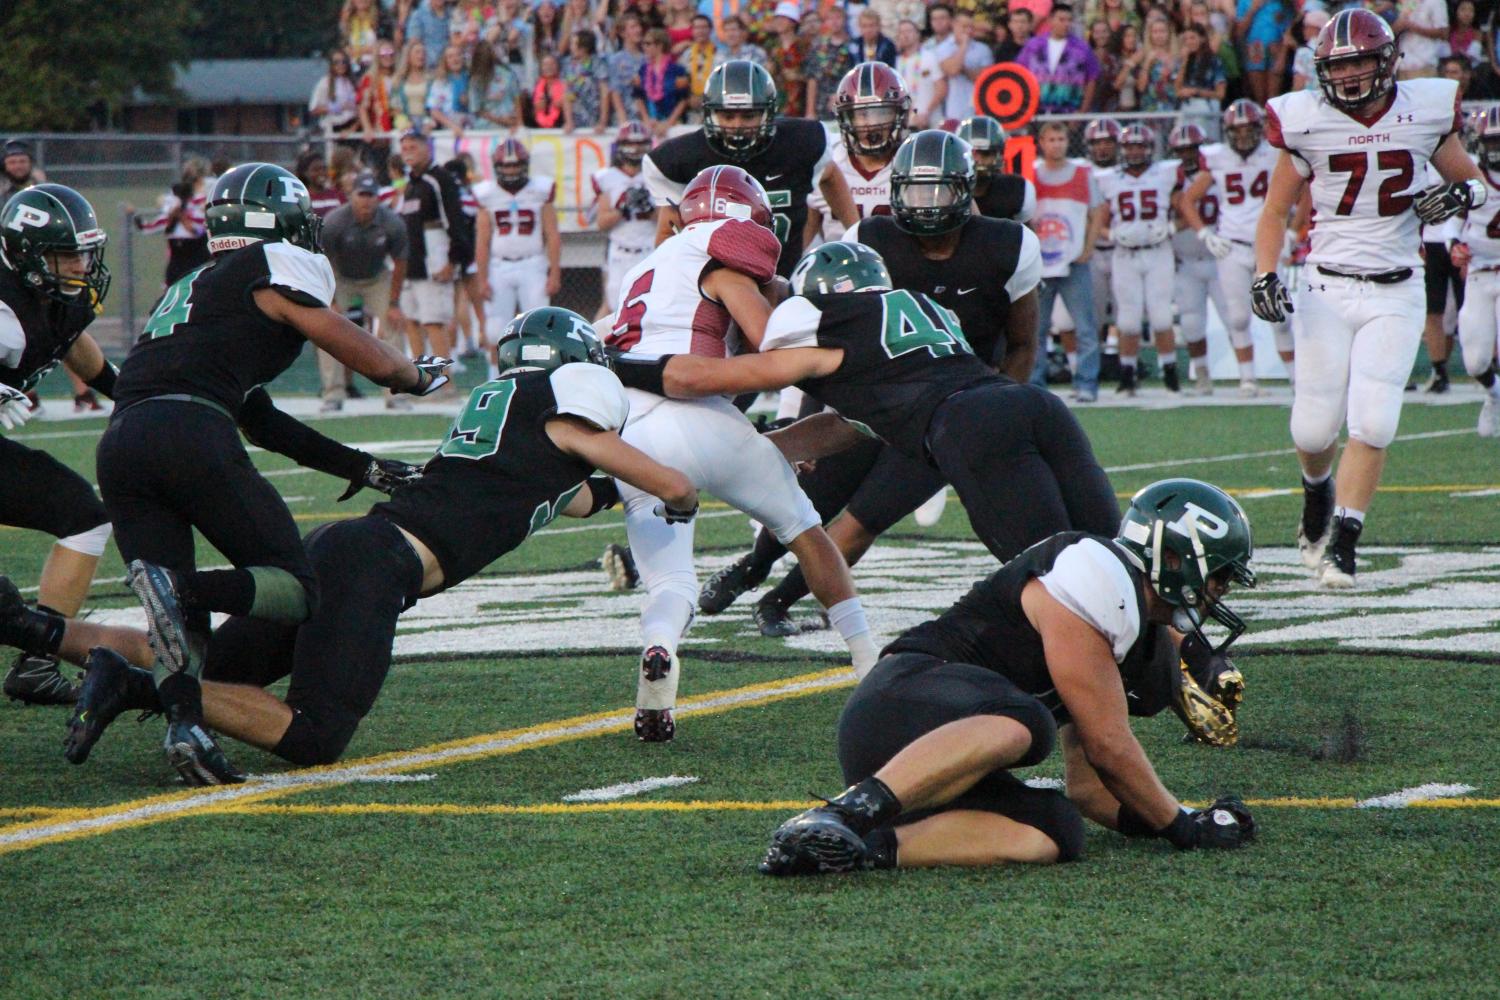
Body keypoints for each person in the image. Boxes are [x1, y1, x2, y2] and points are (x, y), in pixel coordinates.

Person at [5, 309, 700, 771]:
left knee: (213, 667)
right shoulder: (571, 397)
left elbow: (577, 496)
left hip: (351, 547)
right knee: (313, 738)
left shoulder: (516, 418)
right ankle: (128, 681)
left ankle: (32, 625)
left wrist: (733, 459)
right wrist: (684, 485)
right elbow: (637, 468)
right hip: (377, 565)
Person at [95, 162, 452, 785]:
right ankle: (177, 588)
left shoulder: (193, 287)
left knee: (181, 626)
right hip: (189, 432)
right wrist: (414, 374)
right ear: (280, 222)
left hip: (123, 441)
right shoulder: (276, 265)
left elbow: (261, 421)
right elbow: (357, 349)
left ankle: (187, 731)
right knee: (298, 588)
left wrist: (359, 466)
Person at [758, 479, 1257, 875]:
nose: (1219, 591)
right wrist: (1184, 825)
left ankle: (854, 849)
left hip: (945, 758)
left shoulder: (1128, 627)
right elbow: (1110, 745)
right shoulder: (1098, 574)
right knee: (1026, 718)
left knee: (1056, 829)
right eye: (1218, 575)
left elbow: (1090, 789)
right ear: (1173, 558)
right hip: (900, 705)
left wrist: (1174, 817)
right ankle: (844, 812)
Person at [699, 132, 1049, 633]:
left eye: (939, 192)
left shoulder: (1006, 244)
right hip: (874, 400)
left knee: (862, 520)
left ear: (966, 190)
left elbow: (1021, 345)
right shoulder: (871, 239)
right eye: (914, 192)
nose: (926, 207)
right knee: (812, 495)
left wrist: (989, 407)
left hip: (950, 410)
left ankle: (778, 600)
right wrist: (810, 416)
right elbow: (833, 337)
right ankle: (752, 566)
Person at [613, 231, 1118, 569]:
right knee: (1117, 559)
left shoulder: (822, 323)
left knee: (1057, 575)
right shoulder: (923, 308)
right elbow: (850, 425)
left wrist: (617, 361)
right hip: (1034, 405)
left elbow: (711, 376)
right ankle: (1188, 677)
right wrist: (767, 446)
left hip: (970, 424)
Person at [603, 166, 878, 742]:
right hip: (701, 413)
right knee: (806, 531)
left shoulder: (645, 268)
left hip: (633, 433)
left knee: (670, 580)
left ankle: (660, 650)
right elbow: (767, 340)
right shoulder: (724, 264)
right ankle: (867, 658)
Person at [1251, 9, 1483, 589]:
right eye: (1340, 64)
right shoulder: (1306, 119)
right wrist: (1263, 273)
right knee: (1311, 431)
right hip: (1325, 286)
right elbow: (1276, 210)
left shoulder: (1423, 108)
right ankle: (1315, 491)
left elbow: (1475, 181)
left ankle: (1346, 540)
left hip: (1396, 287)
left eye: (1359, 61)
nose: (1351, 75)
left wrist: (1457, 195)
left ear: (1385, 62)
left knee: (1375, 418)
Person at [0, 185, 116, 705]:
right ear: (28, 254)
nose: (80, 264)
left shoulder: (56, 298)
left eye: (83, 252)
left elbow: (73, 346)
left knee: (83, 515)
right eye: (67, 254)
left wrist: (139, 393)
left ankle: (39, 661)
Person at [642, 60, 857, 277]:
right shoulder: (682, 159)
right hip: (713, 290)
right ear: (711, 114)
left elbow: (829, 176)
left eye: (747, 116)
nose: (737, 125)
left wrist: (854, 232)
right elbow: (666, 238)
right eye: (727, 116)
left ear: (768, 113)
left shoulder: (799, 143)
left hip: (783, 280)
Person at [1181, 99, 1293, 397]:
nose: (1242, 136)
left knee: (1279, 314)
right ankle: (1247, 380)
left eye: (1248, 130)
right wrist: (1204, 234)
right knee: (1238, 316)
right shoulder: (1217, 158)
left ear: (1259, 129)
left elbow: (1303, 189)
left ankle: (1296, 378)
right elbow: (1187, 199)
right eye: (1237, 131)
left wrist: (1294, 230)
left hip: (1267, 242)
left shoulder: (1274, 154)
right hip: (1231, 245)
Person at [1095, 124, 1180, 396]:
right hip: (1125, 254)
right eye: (1129, 146)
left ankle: (1170, 375)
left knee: (1162, 317)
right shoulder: (1107, 178)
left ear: (1149, 148)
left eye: (1139, 146)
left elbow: (1188, 202)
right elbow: (1094, 217)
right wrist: (1111, 233)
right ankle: (1127, 375)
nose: (1134, 151)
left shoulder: (1165, 174)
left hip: (1158, 250)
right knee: (1128, 320)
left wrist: (1173, 227)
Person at [317, 171, 411, 413]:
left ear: (378, 198)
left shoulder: (392, 222)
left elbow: (400, 262)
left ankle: (396, 393)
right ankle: (333, 393)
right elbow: (322, 260)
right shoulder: (335, 221)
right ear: (352, 196)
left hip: (377, 277)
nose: (366, 201)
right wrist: (331, 299)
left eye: (371, 196)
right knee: (326, 328)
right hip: (340, 277)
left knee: (393, 326)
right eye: (362, 195)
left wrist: (394, 303)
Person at [474, 139, 562, 381]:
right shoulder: (487, 194)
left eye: (515, 166)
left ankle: (541, 376)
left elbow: (552, 234)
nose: (511, 171)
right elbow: (482, 240)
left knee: (538, 326)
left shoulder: (540, 191)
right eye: (506, 166)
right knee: (495, 330)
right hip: (499, 265)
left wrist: (555, 271)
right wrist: (482, 279)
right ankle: (494, 378)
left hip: (532, 264)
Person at [1030, 120, 1104, 402]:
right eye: (1051, 139)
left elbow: (1097, 212)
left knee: (1085, 326)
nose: (1057, 144)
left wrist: (1088, 246)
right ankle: (1035, 383)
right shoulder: (1031, 173)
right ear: (1042, 143)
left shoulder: (1083, 173)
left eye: (1061, 139)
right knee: (1037, 328)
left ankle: (1087, 383)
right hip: (1041, 264)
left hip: (1074, 261)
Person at [805, 62, 908, 248]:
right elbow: (802, 242)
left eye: (882, 113)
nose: (872, 124)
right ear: (846, 118)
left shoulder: (913, 158)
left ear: (899, 114)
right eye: (862, 115)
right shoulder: (829, 156)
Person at [397, 129, 471, 379]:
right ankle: (419, 380)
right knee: (411, 321)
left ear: (427, 148)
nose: (408, 153)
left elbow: (455, 221)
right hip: (412, 262)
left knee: (433, 322)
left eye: (413, 147)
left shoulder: (440, 180)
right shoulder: (411, 185)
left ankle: (443, 383)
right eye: (404, 148)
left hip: (434, 261)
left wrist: (452, 260)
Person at [1167, 123, 1228, 395]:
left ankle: (1247, 376)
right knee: (1191, 320)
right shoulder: (1170, 178)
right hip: (1187, 260)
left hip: (1219, 257)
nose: (1188, 155)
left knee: (1233, 317)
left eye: (1192, 149)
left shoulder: (1219, 173)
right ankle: (1202, 374)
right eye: (1183, 150)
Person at [1453, 105, 1500, 437]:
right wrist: (1455, 247)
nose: (1496, 150)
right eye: (1492, 143)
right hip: (1481, 272)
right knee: (1475, 361)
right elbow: (1450, 227)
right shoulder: (1469, 176)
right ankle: (1495, 395)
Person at [594, 122, 660, 320]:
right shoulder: (608, 177)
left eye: (641, 144)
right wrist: (623, 209)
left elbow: (668, 216)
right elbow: (601, 223)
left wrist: (648, 210)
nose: (637, 150)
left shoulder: (656, 176)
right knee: (614, 307)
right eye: (631, 144)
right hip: (619, 252)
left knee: (652, 308)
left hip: (650, 249)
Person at [1015, 2, 1101, 115]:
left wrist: (1081, 112)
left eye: (1069, 20)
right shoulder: (1033, 46)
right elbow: (1019, 73)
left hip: (1069, 111)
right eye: (1062, 20)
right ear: (1050, 20)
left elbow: (1092, 79)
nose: (1066, 24)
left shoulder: (1082, 48)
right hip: (1036, 112)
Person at [957, 116, 1035, 223]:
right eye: (971, 154)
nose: (977, 160)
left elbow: (1025, 233)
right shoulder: (947, 191)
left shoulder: (1016, 189)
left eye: (985, 153)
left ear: (998, 155)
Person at [935, 9, 992, 122]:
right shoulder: (943, 48)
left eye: (970, 27)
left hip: (978, 109)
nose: (968, 31)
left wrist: (963, 69)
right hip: (953, 110)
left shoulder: (983, 49)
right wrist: (964, 45)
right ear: (954, 25)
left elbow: (985, 78)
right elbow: (953, 70)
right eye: (964, 26)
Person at [894, 19, 945, 130]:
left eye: (908, 31)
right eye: (901, 32)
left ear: (917, 34)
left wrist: (926, 112)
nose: (905, 35)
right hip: (908, 123)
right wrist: (912, 113)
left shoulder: (930, 57)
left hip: (931, 120)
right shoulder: (896, 62)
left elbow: (941, 87)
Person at [0, 139, 45, 204]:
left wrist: (42, 184)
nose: (18, 166)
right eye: (12, 162)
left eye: (22, 161)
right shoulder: (2, 193)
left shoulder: (44, 190)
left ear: (30, 163)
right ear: (4, 166)